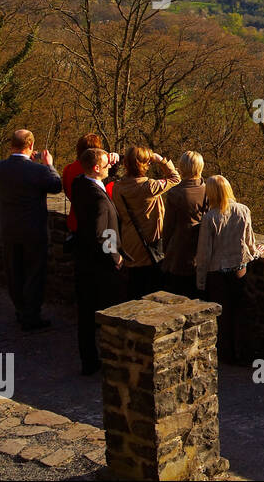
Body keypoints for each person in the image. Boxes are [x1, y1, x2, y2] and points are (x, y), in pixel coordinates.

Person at [0, 129, 63, 330]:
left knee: (14, 270)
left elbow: (6, 174)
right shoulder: (38, 172)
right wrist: (49, 165)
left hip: (9, 228)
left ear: (11, 144)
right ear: (31, 146)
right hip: (33, 230)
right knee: (34, 272)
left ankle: (20, 308)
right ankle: (31, 314)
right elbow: (57, 185)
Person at [69, 148, 126, 375]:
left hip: (83, 261)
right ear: (96, 168)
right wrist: (116, 257)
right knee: (109, 314)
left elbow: (96, 180)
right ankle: (110, 362)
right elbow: (101, 234)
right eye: (105, 164)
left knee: (85, 315)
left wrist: (109, 162)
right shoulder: (99, 200)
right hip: (101, 267)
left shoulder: (79, 184)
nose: (109, 166)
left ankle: (89, 361)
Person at [195, 175, 260, 364]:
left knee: (223, 316)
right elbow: (249, 241)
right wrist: (256, 253)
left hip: (217, 273)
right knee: (241, 313)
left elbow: (204, 253)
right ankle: (244, 353)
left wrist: (200, 282)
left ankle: (226, 355)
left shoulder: (210, 217)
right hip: (240, 269)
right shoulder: (243, 210)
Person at [111, 146, 180, 299]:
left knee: (132, 288)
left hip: (129, 242)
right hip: (150, 244)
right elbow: (175, 178)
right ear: (144, 164)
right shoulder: (149, 186)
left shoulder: (117, 187)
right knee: (151, 291)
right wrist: (161, 160)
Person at [160, 151, 207, 298]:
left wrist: (166, 250)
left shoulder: (176, 193)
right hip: (203, 250)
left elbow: (168, 227)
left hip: (180, 253)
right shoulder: (209, 190)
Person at [61, 134, 119, 234]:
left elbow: (67, 192)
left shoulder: (68, 169)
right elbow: (109, 197)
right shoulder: (98, 173)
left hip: (75, 220)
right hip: (98, 225)